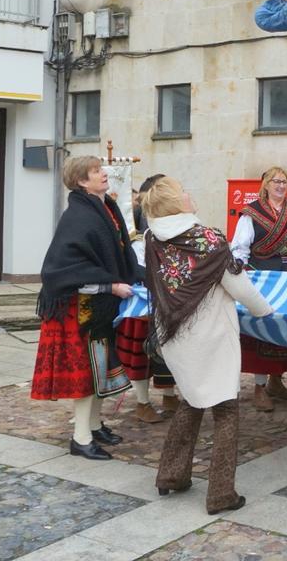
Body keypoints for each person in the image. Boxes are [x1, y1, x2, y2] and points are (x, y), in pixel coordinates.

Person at [143, 176, 274, 515]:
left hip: (174, 333)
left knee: (193, 399)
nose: (190, 193)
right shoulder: (208, 237)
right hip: (211, 335)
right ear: (176, 202)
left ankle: (170, 475)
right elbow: (237, 284)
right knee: (226, 409)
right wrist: (264, 310)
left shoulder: (151, 238)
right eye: (183, 191)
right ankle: (220, 494)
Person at [32, 156, 139, 461]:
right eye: (96, 171)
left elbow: (120, 253)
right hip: (76, 309)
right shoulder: (78, 216)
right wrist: (110, 285)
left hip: (99, 307)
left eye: (101, 169)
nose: (104, 173)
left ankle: (93, 425)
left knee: (100, 368)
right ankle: (80, 439)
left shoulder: (106, 208)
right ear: (81, 181)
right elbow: (65, 269)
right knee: (86, 374)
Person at [230, 166, 287, 411]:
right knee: (262, 330)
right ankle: (259, 387)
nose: (281, 186)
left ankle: (276, 381)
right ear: (266, 185)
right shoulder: (252, 212)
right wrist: (242, 268)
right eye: (275, 181)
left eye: (284, 181)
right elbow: (240, 247)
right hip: (262, 277)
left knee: (284, 330)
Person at [118, 172, 179, 424]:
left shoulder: (175, 221)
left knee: (170, 348)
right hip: (142, 299)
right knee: (140, 352)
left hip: (167, 298)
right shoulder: (136, 224)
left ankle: (169, 394)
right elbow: (135, 261)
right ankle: (143, 402)